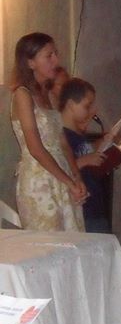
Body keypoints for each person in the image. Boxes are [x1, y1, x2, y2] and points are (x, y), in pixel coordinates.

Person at [9, 32, 86, 231]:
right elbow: (35, 148)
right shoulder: (22, 95)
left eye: (55, 54)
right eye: (49, 55)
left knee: (72, 239)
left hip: (62, 174)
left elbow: (63, 143)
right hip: (39, 179)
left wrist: (76, 177)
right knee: (49, 241)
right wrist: (68, 181)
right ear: (30, 62)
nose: (56, 60)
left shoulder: (49, 96)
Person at [60, 78, 113, 234]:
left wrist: (105, 145)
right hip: (82, 205)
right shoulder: (62, 135)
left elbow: (86, 152)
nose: (90, 110)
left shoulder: (78, 134)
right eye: (86, 106)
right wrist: (84, 161)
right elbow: (61, 167)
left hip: (95, 202)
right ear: (71, 104)